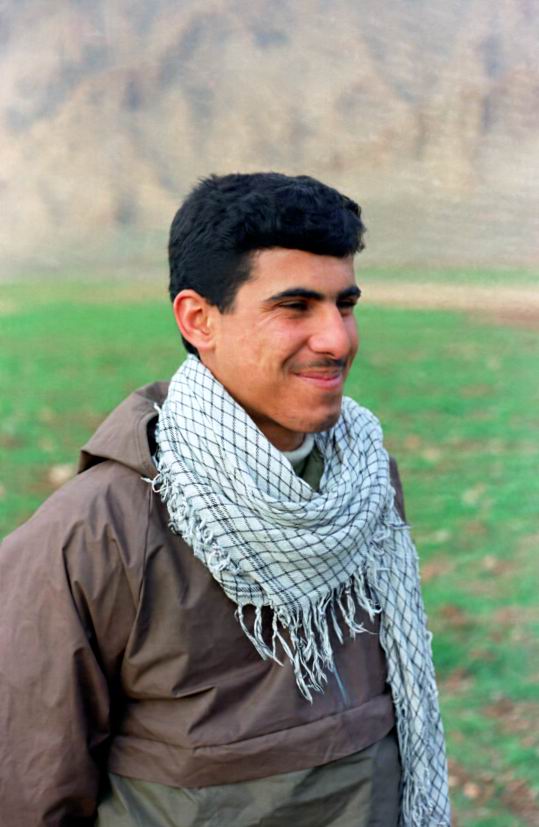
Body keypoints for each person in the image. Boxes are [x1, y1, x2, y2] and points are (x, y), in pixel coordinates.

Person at [0, 172, 450, 826]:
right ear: (198, 319)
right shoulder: (96, 533)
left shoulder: (366, 480)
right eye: (295, 306)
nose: (337, 339)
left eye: (344, 304)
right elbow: (29, 789)